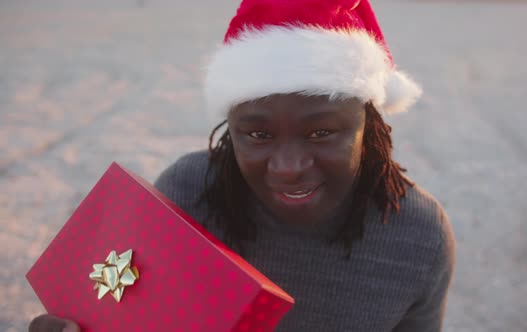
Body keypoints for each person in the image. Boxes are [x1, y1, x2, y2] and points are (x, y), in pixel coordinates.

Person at [29, 0, 455, 331]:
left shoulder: (417, 236)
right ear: (229, 129)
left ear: (370, 124)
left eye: (322, 133)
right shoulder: (187, 194)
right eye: (259, 135)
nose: (289, 167)